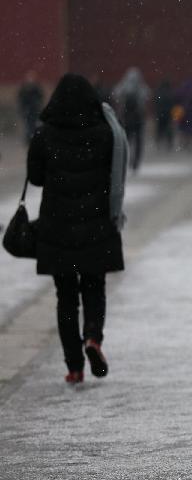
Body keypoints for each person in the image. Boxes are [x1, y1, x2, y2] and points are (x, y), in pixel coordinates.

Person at [27, 74, 127, 384]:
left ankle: (74, 366)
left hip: (58, 227)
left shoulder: (44, 135)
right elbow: (114, 172)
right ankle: (93, 338)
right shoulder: (105, 133)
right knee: (94, 288)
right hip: (97, 223)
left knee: (66, 297)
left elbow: (36, 178)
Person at [113, 66, 150, 172]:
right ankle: (136, 162)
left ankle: (127, 160)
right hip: (138, 119)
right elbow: (147, 95)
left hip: (127, 119)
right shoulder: (140, 86)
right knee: (138, 142)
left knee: (127, 141)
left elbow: (116, 93)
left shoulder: (124, 85)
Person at [17, 71, 44, 144]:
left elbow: (40, 97)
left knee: (33, 124)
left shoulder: (36, 87)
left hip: (34, 109)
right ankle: (29, 138)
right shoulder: (24, 87)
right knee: (28, 125)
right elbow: (21, 98)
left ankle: (32, 138)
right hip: (27, 109)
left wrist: (37, 105)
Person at [153, 78, 177, 152]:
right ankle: (169, 144)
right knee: (169, 130)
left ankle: (158, 144)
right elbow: (173, 104)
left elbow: (156, 103)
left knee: (160, 129)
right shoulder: (170, 93)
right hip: (168, 114)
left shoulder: (158, 92)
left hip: (160, 114)